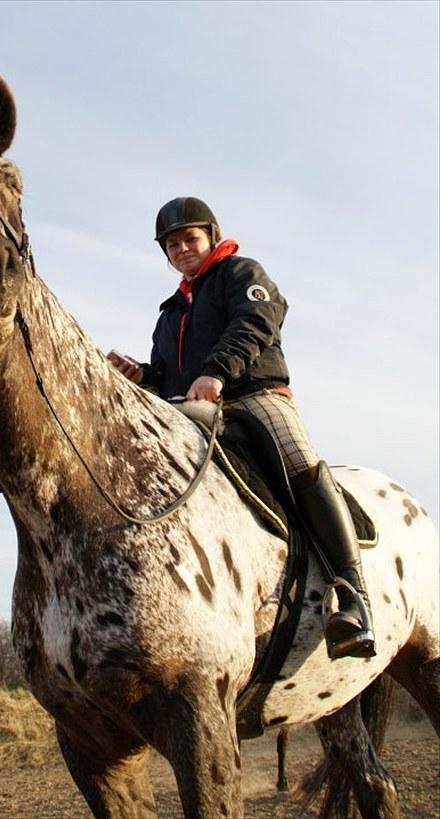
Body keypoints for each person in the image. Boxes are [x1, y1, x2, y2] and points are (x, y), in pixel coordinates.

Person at [107, 197, 375, 660]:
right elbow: (172, 377)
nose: (182, 249)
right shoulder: (169, 314)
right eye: (172, 245)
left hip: (256, 397)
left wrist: (216, 371)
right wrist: (143, 376)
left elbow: (257, 322)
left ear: (210, 235)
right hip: (196, 412)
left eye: (189, 238)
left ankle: (354, 597)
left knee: (301, 467)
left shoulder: (242, 274)